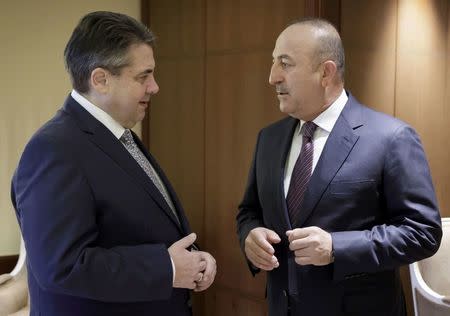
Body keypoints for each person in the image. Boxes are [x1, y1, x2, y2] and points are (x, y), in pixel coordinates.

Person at [11, 11, 216, 316]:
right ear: (101, 79)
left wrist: (193, 261)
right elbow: (62, 266)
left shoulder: (120, 137)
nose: (155, 87)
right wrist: (168, 268)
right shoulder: (53, 149)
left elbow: (138, 229)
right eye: (143, 76)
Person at [236, 18, 442, 316]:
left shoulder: (391, 138)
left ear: (326, 72)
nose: (272, 77)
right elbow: (249, 211)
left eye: (285, 63)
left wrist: (336, 247)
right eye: (273, 62)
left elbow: (422, 232)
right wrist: (250, 236)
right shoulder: (269, 138)